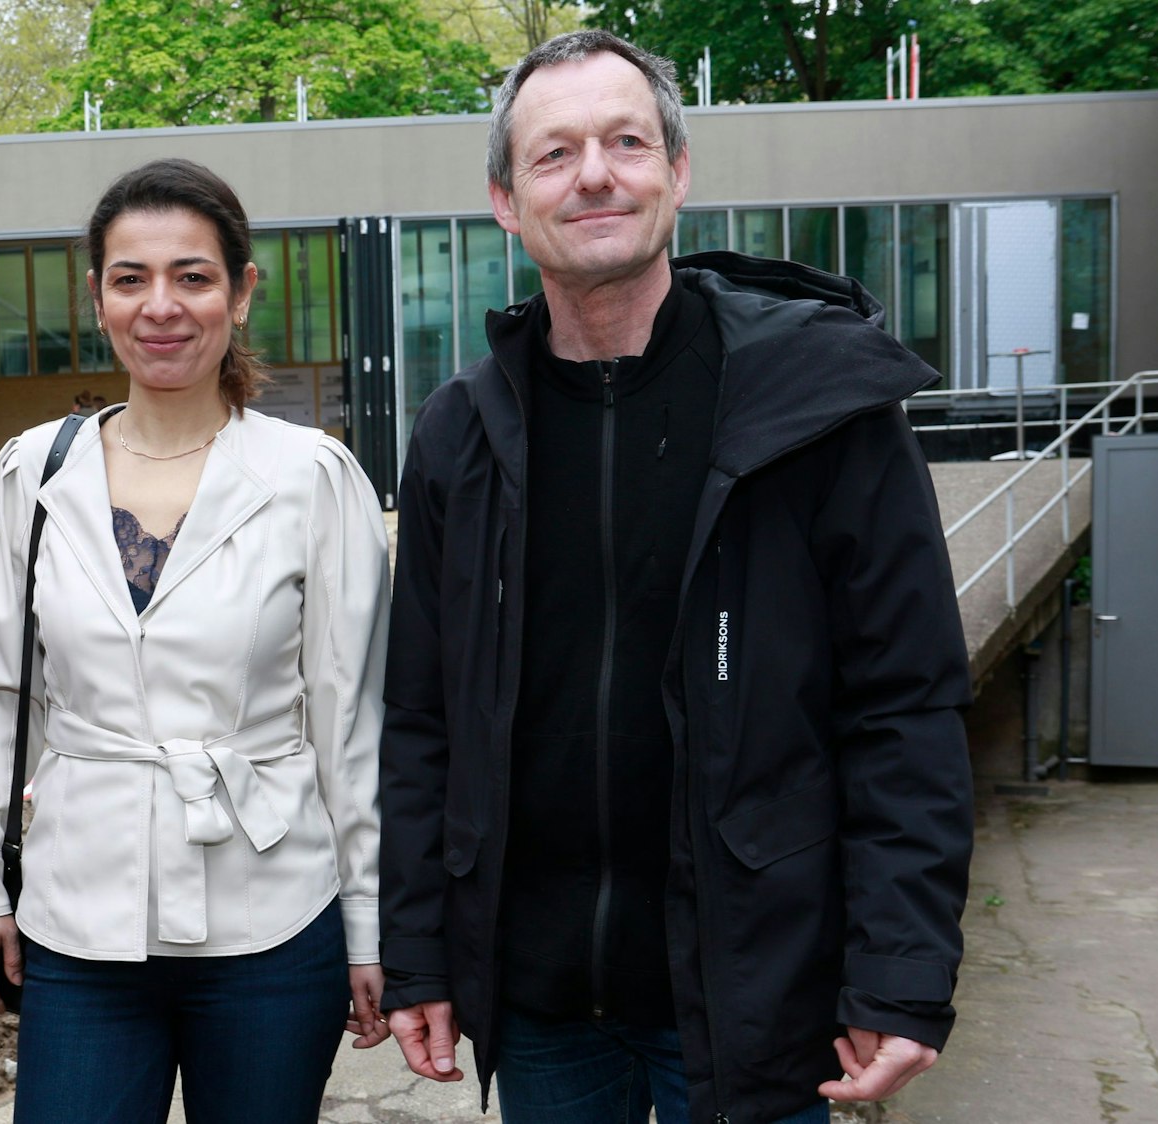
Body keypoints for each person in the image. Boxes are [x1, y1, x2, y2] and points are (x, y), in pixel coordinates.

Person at [377, 31, 974, 1124]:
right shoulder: (461, 431)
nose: (594, 175)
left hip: (757, 987)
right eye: (554, 154)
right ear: (506, 201)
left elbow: (904, 708)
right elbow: (422, 718)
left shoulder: (817, 406)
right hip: (543, 1001)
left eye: (626, 142)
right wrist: (419, 948)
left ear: (678, 172)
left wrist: (902, 970)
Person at [0, 157, 392, 1123]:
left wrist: (367, 922)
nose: (161, 306)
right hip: (79, 921)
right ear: (97, 297)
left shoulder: (312, 476)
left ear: (241, 291)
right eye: (130, 278)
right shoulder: (32, 474)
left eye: (192, 276)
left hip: (275, 917)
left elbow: (351, 720)